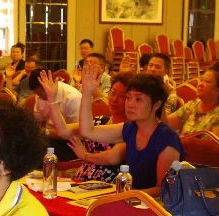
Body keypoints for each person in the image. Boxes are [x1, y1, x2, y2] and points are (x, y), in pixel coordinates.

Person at [78, 64, 183, 194]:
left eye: (138, 99)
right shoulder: (131, 128)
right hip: (131, 197)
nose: (130, 104)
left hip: (154, 203)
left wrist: (125, 196)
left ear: (157, 104)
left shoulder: (166, 138)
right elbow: (88, 131)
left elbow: (164, 190)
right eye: (128, 98)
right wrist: (87, 93)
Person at [41, 69, 132, 183]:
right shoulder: (100, 121)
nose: (114, 99)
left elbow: (113, 157)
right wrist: (52, 99)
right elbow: (63, 131)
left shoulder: (130, 128)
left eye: (122, 96)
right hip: (82, 180)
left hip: (107, 183)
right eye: (113, 93)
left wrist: (85, 155)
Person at [166, 68, 219, 144]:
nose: (200, 84)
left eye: (207, 81)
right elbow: (166, 124)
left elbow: (215, 149)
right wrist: (163, 98)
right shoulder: (192, 105)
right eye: (201, 80)